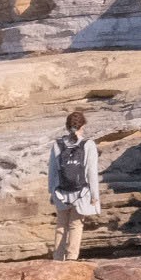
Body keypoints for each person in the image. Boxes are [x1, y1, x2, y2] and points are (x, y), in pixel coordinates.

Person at [48, 111, 101, 260]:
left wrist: (51, 191)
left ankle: (58, 258)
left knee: (61, 225)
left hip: (61, 191)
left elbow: (52, 170)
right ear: (83, 125)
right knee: (76, 225)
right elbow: (91, 172)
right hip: (81, 192)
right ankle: (72, 258)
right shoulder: (88, 144)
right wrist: (94, 196)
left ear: (66, 126)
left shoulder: (57, 144)